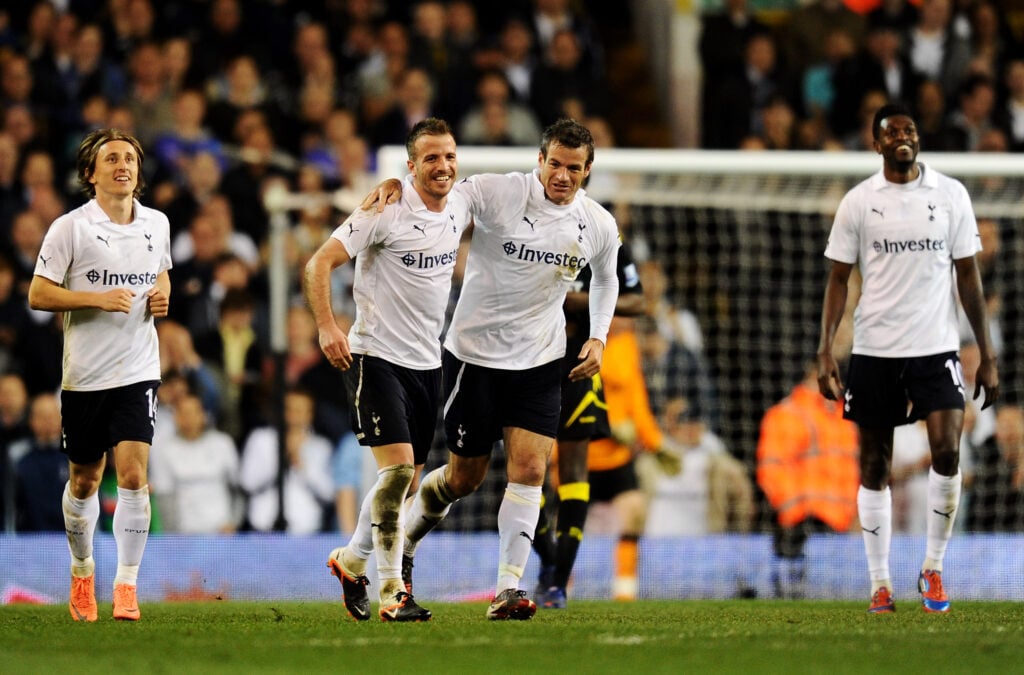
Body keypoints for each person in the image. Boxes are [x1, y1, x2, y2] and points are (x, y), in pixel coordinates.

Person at [368, 118, 621, 620]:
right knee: (465, 479)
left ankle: (508, 588)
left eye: (574, 168)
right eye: (555, 164)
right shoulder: (496, 192)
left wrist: (598, 336)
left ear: (588, 171)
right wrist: (401, 185)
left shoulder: (597, 224)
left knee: (530, 471)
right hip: (474, 358)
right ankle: (408, 546)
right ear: (540, 160)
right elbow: (440, 198)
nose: (563, 176)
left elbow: (606, 280)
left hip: (540, 361)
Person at [817, 103, 999, 614]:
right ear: (876, 144)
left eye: (910, 129)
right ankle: (880, 582)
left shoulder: (950, 195)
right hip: (875, 350)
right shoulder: (858, 202)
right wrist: (826, 349)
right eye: (892, 131)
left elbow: (969, 275)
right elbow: (836, 279)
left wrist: (986, 353)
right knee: (874, 465)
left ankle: (933, 568)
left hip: (936, 348)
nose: (903, 137)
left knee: (947, 451)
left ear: (918, 139)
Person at [304, 117, 471, 622]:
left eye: (448, 157)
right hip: (377, 358)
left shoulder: (462, 204)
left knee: (403, 481)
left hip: (428, 363)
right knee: (397, 474)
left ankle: (351, 560)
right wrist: (327, 327)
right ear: (411, 165)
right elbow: (317, 264)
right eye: (430, 159)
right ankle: (393, 591)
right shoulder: (385, 209)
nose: (442, 167)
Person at [27, 127, 172, 622]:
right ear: (91, 173)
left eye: (130, 157)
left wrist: (161, 293)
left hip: (138, 368)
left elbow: (160, 271)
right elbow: (39, 294)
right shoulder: (70, 228)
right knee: (86, 481)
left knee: (134, 476)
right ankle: (82, 570)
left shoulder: (157, 223)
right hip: (86, 376)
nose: (123, 165)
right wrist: (94, 297)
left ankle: (127, 586)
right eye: (111, 158)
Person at [532, 240, 646, 609]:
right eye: (558, 174)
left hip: (579, 366)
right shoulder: (527, 230)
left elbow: (636, 301)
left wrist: (577, 300)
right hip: (526, 364)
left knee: (573, 472)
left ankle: (559, 580)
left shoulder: (603, 237)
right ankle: (549, 561)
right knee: (525, 473)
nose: (564, 177)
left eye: (575, 175)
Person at [756, 361, 860, 599]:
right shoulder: (788, 414)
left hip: (841, 530)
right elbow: (772, 470)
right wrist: (799, 513)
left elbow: (852, 471)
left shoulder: (844, 417)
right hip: (803, 532)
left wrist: (854, 514)